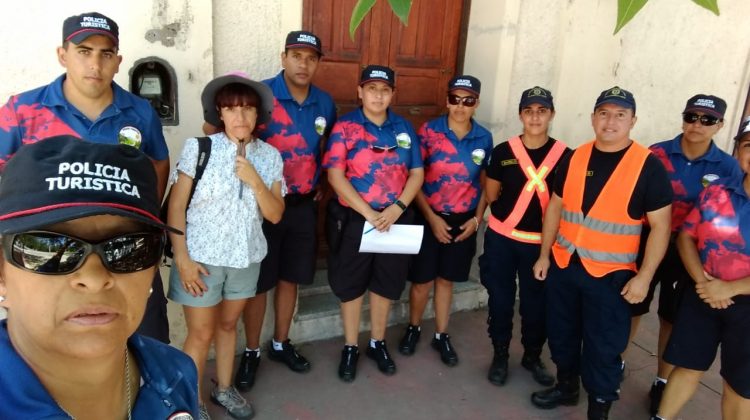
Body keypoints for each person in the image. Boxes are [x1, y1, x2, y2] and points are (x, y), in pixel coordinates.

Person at [0, 12, 172, 343]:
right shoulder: (22, 111)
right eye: (84, 51)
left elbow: (158, 166)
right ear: (62, 55)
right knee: (50, 349)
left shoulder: (139, 113)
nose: (95, 63)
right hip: (50, 256)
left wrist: (140, 220)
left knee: (145, 339)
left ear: (118, 61)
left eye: (105, 53)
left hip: (124, 251)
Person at [0, 136, 198, 419]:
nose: (94, 278)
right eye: (50, 247)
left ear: (152, 270)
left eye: (129, 247)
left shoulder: (176, 372)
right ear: (2, 272)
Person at [530, 87, 672, 419]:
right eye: (604, 113)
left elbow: (662, 227)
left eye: (620, 115)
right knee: (562, 334)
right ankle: (567, 388)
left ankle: (599, 409)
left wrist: (645, 278)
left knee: (603, 347)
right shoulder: (575, 156)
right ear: (593, 118)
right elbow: (556, 207)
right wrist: (544, 254)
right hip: (566, 266)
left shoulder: (647, 167)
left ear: (632, 121)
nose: (610, 121)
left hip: (612, 277)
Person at [167, 72, 283, 419]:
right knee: (200, 334)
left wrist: (256, 181)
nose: (240, 117)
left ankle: (224, 389)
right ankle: (191, 401)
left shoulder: (271, 156)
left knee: (229, 326)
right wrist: (182, 258)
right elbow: (176, 206)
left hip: (246, 258)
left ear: (258, 114)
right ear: (220, 113)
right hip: (201, 260)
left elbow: (275, 214)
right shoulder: (199, 148)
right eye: (232, 109)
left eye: (248, 109)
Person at [233, 30, 336, 389]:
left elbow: (328, 148)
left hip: (304, 205)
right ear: (283, 57)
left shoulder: (325, 103)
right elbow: (232, 134)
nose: (303, 63)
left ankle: (280, 342)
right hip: (261, 207)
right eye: (296, 55)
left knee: (290, 276)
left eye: (311, 57)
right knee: (259, 283)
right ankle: (251, 351)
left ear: (318, 62)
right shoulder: (260, 96)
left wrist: (322, 181)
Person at [627, 94, 741, 415]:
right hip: (648, 239)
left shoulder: (728, 167)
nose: (696, 125)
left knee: (671, 318)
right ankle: (617, 363)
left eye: (707, 120)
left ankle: (662, 381)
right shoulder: (656, 153)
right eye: (692, 116)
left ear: (719, 125)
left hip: (691, 251)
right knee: (633, 305)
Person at [322, 65, 424, 382]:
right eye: (371, 88)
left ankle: (377, 342)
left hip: (395, 218)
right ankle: (351, 346)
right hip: (356, 218)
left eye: (384, 89)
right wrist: (368, 213)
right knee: (351, 286)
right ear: (360, 92)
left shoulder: (404, 129)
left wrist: (397, 207)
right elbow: (335, 175)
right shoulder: (345, 127)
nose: (378, 95)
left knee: (386, 282)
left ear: (393, 93)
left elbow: (417, 173)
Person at [654, 122, 750, 420]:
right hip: (703, 292)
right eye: (748, 146)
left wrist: (730, 288)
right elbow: (686, 236)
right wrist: (703, 282)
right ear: (738, 151)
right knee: (686, 365)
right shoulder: (717, 191)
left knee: (739, 385)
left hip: (745, 305)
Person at [397, 75, 491, 367]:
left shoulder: (484, 138)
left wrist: (476, 221)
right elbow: (416, 176)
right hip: (428, 217)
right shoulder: (428, 131)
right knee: (422, 281)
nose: (460, 106)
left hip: (463, 220)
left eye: (468, 101)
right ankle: (413, 328)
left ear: (476, 104)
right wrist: (432, 218)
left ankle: (441, 334)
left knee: (446, 281)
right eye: (455, 99)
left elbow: (487, 182)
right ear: (447, 100)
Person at [478, 86, 568, 386]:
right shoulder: (503, 151)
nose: (535, 117)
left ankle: (532, 355)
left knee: (536, 306)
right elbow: (491, 194)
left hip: (540, 246)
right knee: (501, 301)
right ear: (521, 115)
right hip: (502, 241)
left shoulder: (565, 156)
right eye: (529, 111)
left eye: (542, 111)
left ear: (551, 115)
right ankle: (500, 354)